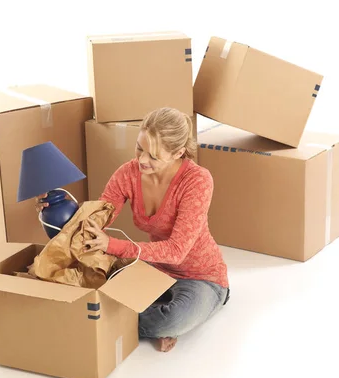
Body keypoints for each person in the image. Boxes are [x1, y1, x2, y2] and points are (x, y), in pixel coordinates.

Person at [36, 107, 229, 352]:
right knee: (97, 283)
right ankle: (147, 324)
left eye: (154, 156)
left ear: (178, 153)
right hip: (153, 267)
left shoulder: (197, 180)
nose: (142, 160)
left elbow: (176, 251)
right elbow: (95, 221)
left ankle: (152, 323)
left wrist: (112, 245)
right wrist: (55, 207)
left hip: (201, 278)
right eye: (139, 148)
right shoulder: (127, 174)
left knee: (171, 318)